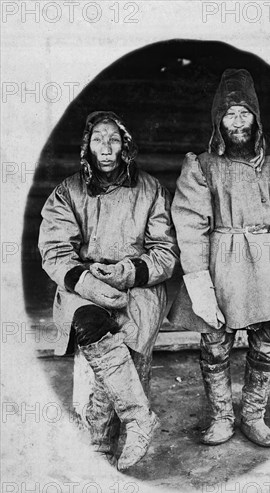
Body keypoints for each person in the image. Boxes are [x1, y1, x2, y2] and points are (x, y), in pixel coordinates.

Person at [168, 69, 270, 447]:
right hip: (223, 259)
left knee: (268, 340)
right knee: (215, 341)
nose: (237, 121)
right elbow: (190, 224)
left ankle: (253, 416)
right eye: (230, 114)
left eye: (244, 113)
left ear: (256, 118)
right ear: (219, 120)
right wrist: (199, 282)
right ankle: (221, 418)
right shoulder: (201, 165)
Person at [39, 111, 179, 470]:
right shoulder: (68, 192)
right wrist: (88, 282)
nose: (106, 148)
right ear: (87, 146)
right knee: (88, 323)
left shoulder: (150, 190)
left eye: (114, 139)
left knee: (127, 334)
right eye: (98, 140)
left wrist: (126, 272)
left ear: (125, 145)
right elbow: (55, 251)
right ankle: (138, 419)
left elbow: (165, 253)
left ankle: (98, 439)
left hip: (139, 284)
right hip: (85, 283)